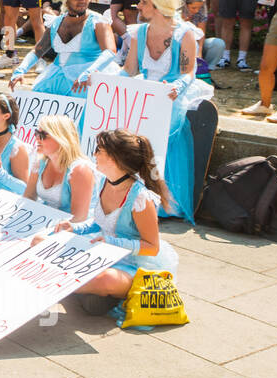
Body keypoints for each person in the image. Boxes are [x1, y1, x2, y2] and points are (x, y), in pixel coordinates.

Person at [45, 129, 178, 316]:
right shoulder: (105, 182)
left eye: (99, 150)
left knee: (104, 279)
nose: (94, 154)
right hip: (103, 253)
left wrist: (113, 242)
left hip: (132, 264)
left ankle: (54, 286)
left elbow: (152, 247)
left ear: (115, 158)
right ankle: (83, 292)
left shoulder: (140, 198)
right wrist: (73, 227)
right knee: (42, 240)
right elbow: (99, 223)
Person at [123, 0, 214, 223]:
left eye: (144, 2)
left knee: (168, 124)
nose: (138, 6)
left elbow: (188, 72)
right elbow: (129, 69)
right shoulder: (138, 33)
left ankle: (164, 201)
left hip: (172, 92)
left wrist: (178, 86)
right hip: (147, 89)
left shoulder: (184, 33)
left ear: (158, 6)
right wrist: (102, 80)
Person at [9, 0, 118, 96]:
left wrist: (89, 72)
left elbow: (110, 52)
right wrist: (20, 70)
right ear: (66, 0)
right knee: (38, 96)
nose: (83, 0)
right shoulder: (56, 22)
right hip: (56, 77)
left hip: (86, 79)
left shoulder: (97, 21)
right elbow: (37, 51)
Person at [21, 115, 95, 223]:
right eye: (37, 133)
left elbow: (78, 219)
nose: (37, 138)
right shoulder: (40, 162)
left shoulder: (80, 170)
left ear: (61, 138)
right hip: (45, 221)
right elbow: (28, 197)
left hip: (72, 229)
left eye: (43, 135)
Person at [180, 0, 226, 71]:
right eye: (193, 8)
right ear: (185, 4)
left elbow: (201, 33)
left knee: (219, 44)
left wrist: (199, 54)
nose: (197, 11)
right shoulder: (177, 10)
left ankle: (204, 71)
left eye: (199, 7)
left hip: (195, 42)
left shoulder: (201, 8)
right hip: (180, 45)